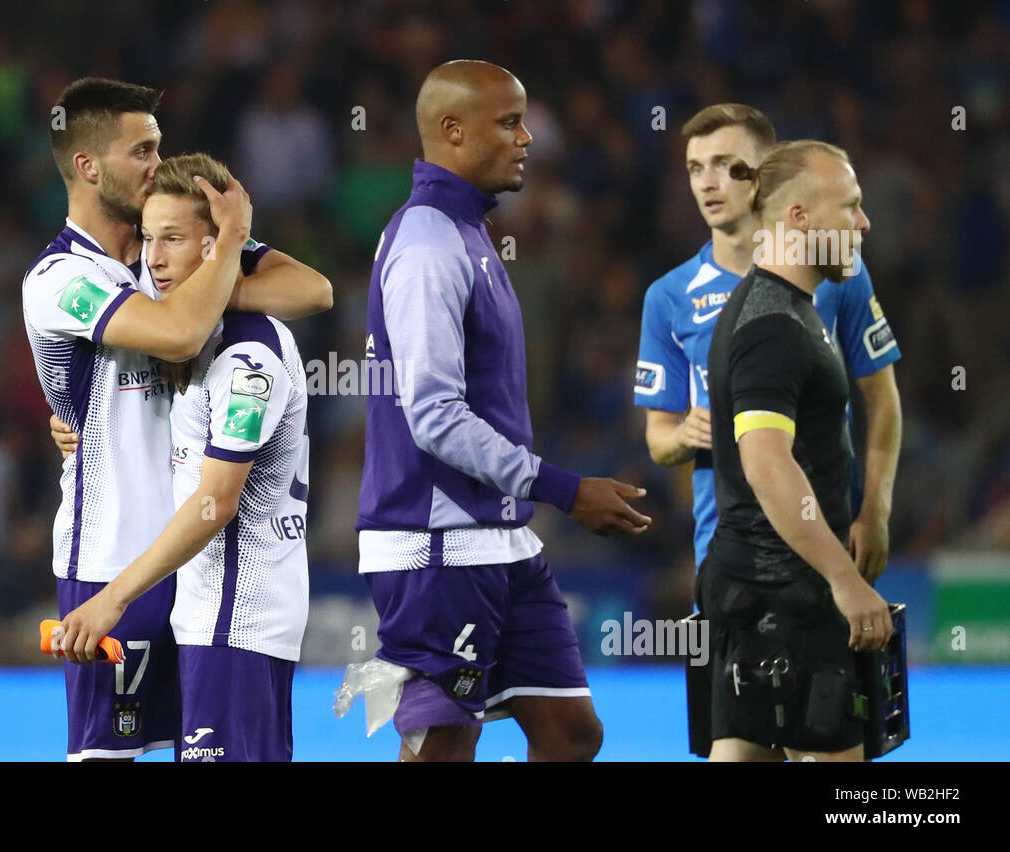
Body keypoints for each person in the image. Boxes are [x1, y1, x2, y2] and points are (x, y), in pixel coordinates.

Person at [349, 60, 651, 763]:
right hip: (436, 545)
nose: (527, 139)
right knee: (445, 748)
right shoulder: (428, 241)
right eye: (510, 122)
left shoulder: (470, 232)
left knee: (571, 736)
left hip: (501, 541)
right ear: (452, 131)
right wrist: (565, 490)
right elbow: (433, 415)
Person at [23, 77, 329, 761]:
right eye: (141, 152)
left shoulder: (170, 249)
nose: (157, 166)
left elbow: (313, 288)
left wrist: (214, 271)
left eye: (159, 149)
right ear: (87, 166)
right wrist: (224, 256)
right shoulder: (61, 278)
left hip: (198, 563)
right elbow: (182, 335)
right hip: (111, 560)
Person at [636, 104, 902, 582]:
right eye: (696, 168)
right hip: (727, 549)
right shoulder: (668, 297)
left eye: (725, 164)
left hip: (827, 534)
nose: (707, 182)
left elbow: (882, 399)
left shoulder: (838, 273)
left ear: (761, 176)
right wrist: (681, 437)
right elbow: (657, 436)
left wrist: (876, 511)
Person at [702, 140, 894, 763]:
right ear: (800, 219)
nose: (863, 223)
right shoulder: (773, 326)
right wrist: (843, 580)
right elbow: (766, 463)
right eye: (852, 207)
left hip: (759, 589)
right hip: (785, 592)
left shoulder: (786, 308)